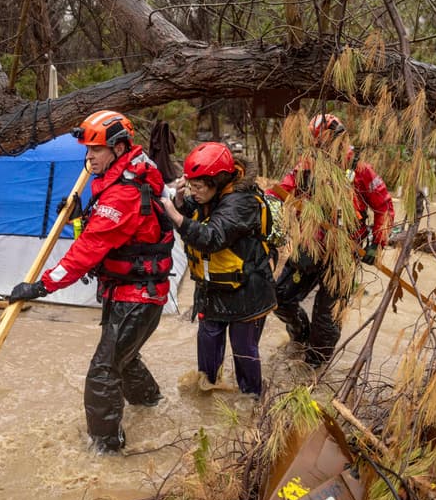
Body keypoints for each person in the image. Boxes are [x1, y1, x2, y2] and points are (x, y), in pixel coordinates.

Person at [8, 110, 174, 454]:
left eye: (96, 150)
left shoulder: (122, 193)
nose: (89, 158)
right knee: (123, 361)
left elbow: (87, 250)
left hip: (138, 296)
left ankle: (107, 450)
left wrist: (41, 287)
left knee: (102, 373)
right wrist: (81, 214)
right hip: (129, 292)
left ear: (118, 147)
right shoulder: (118, 179)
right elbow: (110, 233)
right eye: (87, 150)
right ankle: (154, 407)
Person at [269, 113, 395, 367]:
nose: (322, 149)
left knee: (327, 319)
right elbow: (280, 192)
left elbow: (384, 207)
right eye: (318, 144)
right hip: (309, 246)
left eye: (326, 143)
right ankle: (300, 337)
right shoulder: (306, 165)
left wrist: (377, 244)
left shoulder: (360, 169)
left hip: (345, 254)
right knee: (278, 298)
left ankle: (312, 370)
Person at [160, 142, 276, 397]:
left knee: (244, 353)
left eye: (198, 187)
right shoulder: (213, 195)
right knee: (208, 355)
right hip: (213, 291)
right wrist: (180, 202)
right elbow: (199, 211)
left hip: (247, 292)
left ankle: (251, 405)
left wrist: (174, 216)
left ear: (218, 180)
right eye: (191, 186)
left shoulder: (242, 203)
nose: (194, 192)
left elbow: (211, 236)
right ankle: (207, 402)